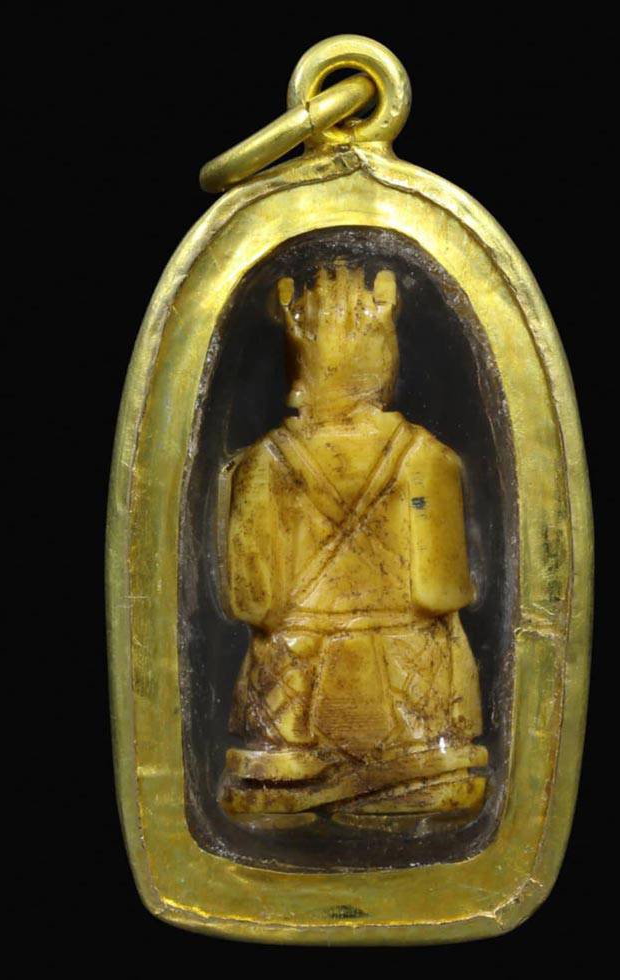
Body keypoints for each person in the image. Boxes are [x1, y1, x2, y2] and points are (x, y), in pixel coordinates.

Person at [219, 261, 487, 816]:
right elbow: (442, 590)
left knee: (268, 786)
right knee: (440, 778)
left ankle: (296, 789)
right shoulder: (427, 458)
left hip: (294, 689)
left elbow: (253, 601)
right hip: (412, 692)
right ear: (385, 359)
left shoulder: (262, 463)